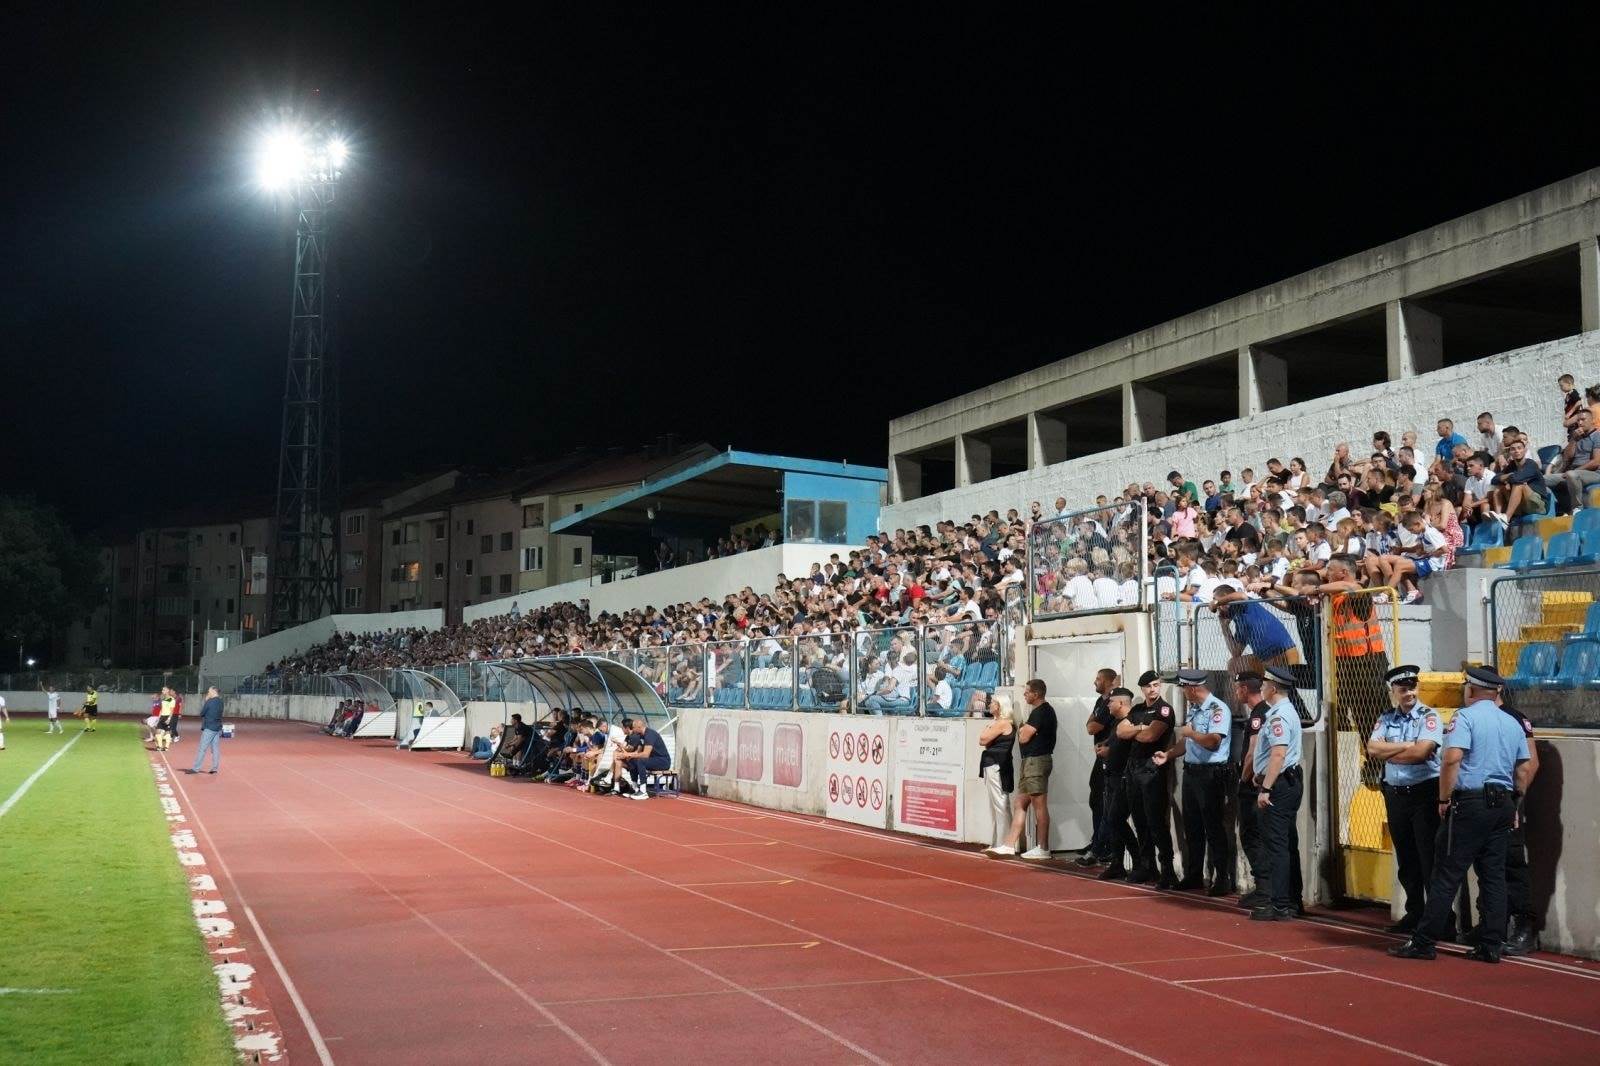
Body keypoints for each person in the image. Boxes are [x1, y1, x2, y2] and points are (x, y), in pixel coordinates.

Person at [1389, 667, 1531, 962]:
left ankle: (1424, 941)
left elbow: (1452, 759)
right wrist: (1514, 803)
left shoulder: (1464, 718)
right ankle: (1491, 944)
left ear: (1471, 690)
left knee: (1446, 873)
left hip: (1471, 803)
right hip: (1503, 803)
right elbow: (1523, 769)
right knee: (1493, 875)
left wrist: (1443, 798)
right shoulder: (1512, 722)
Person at [1365, 665, 1448, 936]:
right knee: (1407, 859)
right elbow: (1372, 748)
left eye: (1412, 687)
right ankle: (1415, 913)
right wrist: (1405, 746)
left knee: (1429, 859)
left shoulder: (1429, 716)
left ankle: (1440, 920)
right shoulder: (1386, 717)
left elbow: (1421, 753)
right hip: (1396, 795)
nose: (1409, 692)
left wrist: (1390, 753)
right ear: (1393, 691)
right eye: (1403, 689)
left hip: (1424, 794)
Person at [1162, 669, 1231, 895]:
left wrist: (1191, 734)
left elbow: (1213, 741)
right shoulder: (1194, 709)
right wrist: (1168, 755)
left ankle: (1222, 878)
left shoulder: (1218, 709)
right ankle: (1194, 875)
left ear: (1192, 688)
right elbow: (1187, 742)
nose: (1182, 692)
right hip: (1191, 773)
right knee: (1192, 827)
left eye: (1183, 688)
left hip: (1210, 775)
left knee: (1214, 827)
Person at [1487, 692, 1540, 957]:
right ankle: (1492, 924)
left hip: (1505, 801)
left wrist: (1515, 801)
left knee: (1512, 863)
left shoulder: (1514, 718)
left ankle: (1524, 927)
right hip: (1483, 803)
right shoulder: (1473, 717)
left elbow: (1530, 763)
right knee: (1488, 865)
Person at [1250, 665, 1304, 922]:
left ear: (1272, 688)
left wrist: (1266, 787)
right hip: (1287, 782)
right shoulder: (1286, 711)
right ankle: (1292, 900)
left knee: (1276, 845)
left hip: (1279, 786)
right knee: (1287, 843)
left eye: (1264, 684)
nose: (1261, 688)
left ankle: (1280, 904)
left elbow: (1278, 754)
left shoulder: (1277, 717)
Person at [985, 678, 1056, 861]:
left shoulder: (1042, 712)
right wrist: (1024, 729)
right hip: (1029, 762)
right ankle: (1009, 845)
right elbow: (1023, 735)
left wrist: (1023, 729)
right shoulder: (1037, 712)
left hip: (1036, 762)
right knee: (1020, 803)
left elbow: (1023, 737)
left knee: (1039, 804)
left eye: (1027, 692)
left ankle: (1043, 847)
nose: (1024, 695)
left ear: (1036, 694)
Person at [1122, 670, 1176, 887]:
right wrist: (1140, 728)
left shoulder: (1164, 709)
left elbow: (1150, 736)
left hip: (1152, 770)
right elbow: (1120, 732)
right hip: (1134, 769)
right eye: (1148, 686)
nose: (1153, 689)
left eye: (1156, 685)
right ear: (1142, 689)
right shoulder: (1137, 709)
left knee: (1156, 822)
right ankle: (1148, 866)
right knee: (1140, 820)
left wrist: (1135, 731)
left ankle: (1168, 871)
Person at [1232, 672, 1271, 909]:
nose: (1236, 692)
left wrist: (1242, 779)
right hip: (1263, 783)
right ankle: (1266, 887)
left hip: (1253, 786)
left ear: (1245, 689)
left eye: (1237, 687)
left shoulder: (1258, 714)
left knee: (1251, 836)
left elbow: (1252, 753)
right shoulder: (1266, 711)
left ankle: (1265, 888)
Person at [1075, 668, 1120, 867]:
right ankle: (1098, 840)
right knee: (1095, 799)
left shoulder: (1111, 701)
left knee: (1104, 802)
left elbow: (1093, 727)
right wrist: (1093, 721)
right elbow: (1089, 724)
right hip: (1099, 758)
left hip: (1110, 758)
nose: (1095, 682)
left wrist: (1094, 722)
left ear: (1109, 681)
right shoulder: (1100, 702)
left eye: (1098, 679)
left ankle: (1105, 846)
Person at [1094, 688, 1140, 880]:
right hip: (1111, 777)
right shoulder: (1116, 723)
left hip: (1124, 778)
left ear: (1121, 703)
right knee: (1111, 821)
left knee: (1115, 819)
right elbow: (1114, 741)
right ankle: (1117, 863)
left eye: (1111, 702)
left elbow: (1126, 749)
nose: (1108, 705)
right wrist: (1104, 745)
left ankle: (1138, 861)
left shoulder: (1130, 722)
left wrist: (1109, 752)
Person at [976, 693, 1015, 848]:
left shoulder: (1002, 723)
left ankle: (1004, 843)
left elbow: (983, 740)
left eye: (993, 702)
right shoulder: (998, 723)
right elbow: (985, 741)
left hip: (997, 765)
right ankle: (998, 842)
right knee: (996, 806)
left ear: (1000, 706)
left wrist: (988, 729)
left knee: (1000, 804)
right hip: (994, 764)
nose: (989, 704)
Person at [612, 716, 670, 800]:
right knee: (632, 760)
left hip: (663, 761)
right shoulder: (641, 736)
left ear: (639, 727)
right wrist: (627, 755)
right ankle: (634, 788)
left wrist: (628, 755)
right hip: (653, 760)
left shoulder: (650, 735)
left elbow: (645, 754)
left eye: (633, 728)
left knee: (641, 761)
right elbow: (637, 753)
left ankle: (643, 791)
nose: (632, 730)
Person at [185, 687, 225, 775]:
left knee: (202, 748)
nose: (208, 693)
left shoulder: (209, 701)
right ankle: (214, 768)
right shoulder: (221, 702)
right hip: (217, 727)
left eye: (209, 691)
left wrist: (206, 701)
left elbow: (202, 713)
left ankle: (196, 768)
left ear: (213, 691)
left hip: (209, 727)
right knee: (215, 749)